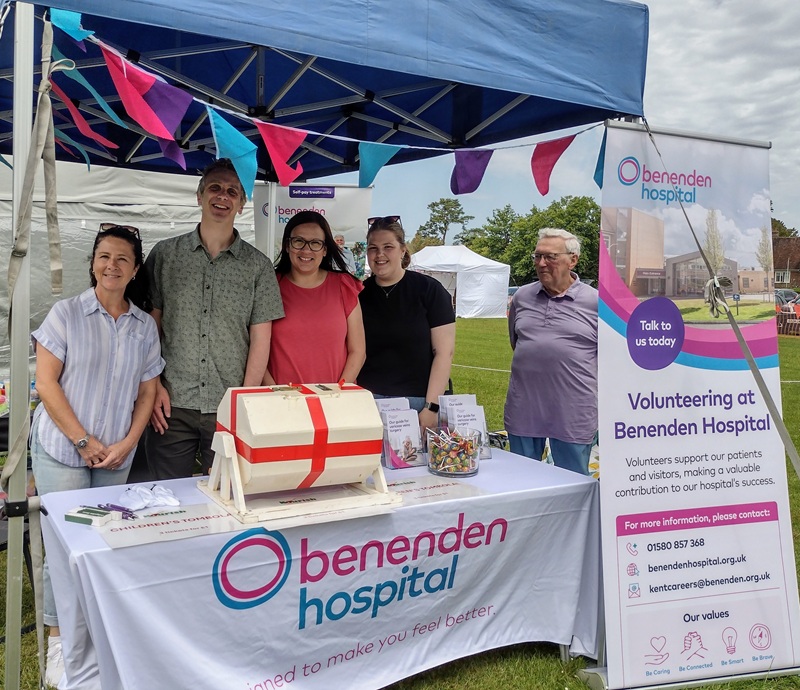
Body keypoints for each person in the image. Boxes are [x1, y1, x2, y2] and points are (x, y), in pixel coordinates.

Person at [31, 223, 164, 686]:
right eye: (105, 256)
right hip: (63, 451)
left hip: (116, 454)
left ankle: (96, 632)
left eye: (122, 259)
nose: (112, 265)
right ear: (92, 262)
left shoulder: (144, 325)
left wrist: (128, 443)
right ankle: (60, 644)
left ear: (135, 269)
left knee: (102, 545)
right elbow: (46, 384)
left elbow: (147, 392)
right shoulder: (65, 314)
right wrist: (83, 440)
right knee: (65, 549)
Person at [144, 159, 284, 479]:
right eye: (215, 188)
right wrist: (153, 387)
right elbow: (149, 328)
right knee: (168, 502)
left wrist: (243, 404)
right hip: (171, 404)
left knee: (225, 500)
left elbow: (261, 339)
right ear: (199, 196)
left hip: (228, 407)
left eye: (233, 191)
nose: (223, 196)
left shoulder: (258, 267)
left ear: (242, 204)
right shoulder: (165, 255)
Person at [504, 227, 598, 475]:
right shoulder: (522, 297)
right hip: (524, 408)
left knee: (573, 484)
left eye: (550, 257)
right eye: (537, 256)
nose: (542, 263)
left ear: (573, 260)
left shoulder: (597, 303)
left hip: (573, 411)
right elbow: (517, 342)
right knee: (521, 482)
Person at [358, 216, 455, 429]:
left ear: (402, 250)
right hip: (367, 404)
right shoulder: (358, 294)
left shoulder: (430, 290)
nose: (380, 254)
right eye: (373, 248)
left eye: (388, 247)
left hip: (418, 404)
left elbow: (444, 353)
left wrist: (431, 407)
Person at [265, 211, 365, 384]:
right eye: (298, 241)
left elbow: (358, 351)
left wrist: (338, 393)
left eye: (315, 243)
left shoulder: (344, 285)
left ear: (325, 250)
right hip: (280, 402)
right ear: (287, 246)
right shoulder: (268, 286)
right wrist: (276, 393)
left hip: (334, 402)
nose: (306, 250)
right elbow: (256, 349)